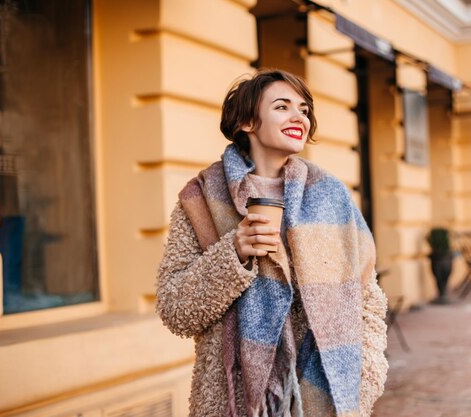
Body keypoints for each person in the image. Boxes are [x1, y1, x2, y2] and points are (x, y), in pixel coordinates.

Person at [156, 69, 388, 417]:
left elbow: (367, 296)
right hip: (235, 404)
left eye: (304, 110)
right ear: (248, 121)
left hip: (325, 398)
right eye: (282, 107)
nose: (299, 117)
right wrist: (234, 253)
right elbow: (176, 310)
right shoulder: (202, 199)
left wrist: (366, 373)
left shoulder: (330, 196)